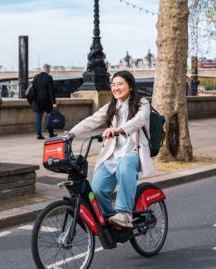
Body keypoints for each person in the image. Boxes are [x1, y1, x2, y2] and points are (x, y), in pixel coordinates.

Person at [65, 70, 153, 228]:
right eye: (113, 85)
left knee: (126, 164)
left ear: (131, 86)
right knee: (97, 189)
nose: (116, 88)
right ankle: (111, 220)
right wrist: (71, 133)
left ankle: (124, 214)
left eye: (120, 84)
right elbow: (92, 120)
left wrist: (120, 130)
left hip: (133, 153)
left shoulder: (143, 103)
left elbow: (139, 120)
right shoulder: (111, 106)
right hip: (112, 155)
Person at [32, 64, 57, 140]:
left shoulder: (36, 77)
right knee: (50, 117)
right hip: (47, 102)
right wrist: (54, 103)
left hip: (38, 101)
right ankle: (51, 133)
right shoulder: (49, 78)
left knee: (38, 119)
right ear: (47, 69)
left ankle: (38, 134)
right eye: (49, 68)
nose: (50, 70)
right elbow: (51, 91)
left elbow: (33, 90)